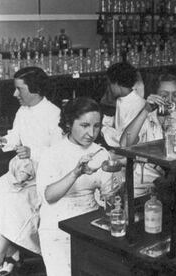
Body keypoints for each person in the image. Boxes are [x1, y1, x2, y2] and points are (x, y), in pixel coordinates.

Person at [0, 67, 62, 275]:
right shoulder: (22, 111)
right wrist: (4, 141)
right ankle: (9, 254)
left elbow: (59, 153)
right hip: (22, 173)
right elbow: (15, 136)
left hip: (44, 176)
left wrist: (33, 152)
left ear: (35, 90)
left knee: (13, 204)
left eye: (19, 89)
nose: (15, 94)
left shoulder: (54, 114)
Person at [36, 97, 114, 276]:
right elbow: (49, 196)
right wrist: (75, 173)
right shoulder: (52, 154)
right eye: (85, 125)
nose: (91, 133)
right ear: (69, 123)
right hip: (56, 226)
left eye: (96, 126)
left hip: (89, 223)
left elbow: (109, 196)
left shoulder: (101, 153)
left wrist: (115, 187)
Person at [101, 62, 146, 148]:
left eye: (109, 84)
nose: (109, 88)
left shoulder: (136, 104)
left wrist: (104, 130)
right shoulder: (122, 99)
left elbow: (126, 139)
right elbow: (120, 123)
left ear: (116, 83)